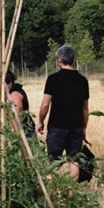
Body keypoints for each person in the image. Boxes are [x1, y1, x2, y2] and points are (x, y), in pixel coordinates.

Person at [36, 45, 90, 178]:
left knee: (55, 161)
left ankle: (59, 192)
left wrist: (40, 121)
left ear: (60, 60)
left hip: (57, 127)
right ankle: (72, 193)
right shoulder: (82, 80)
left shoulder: (53, 79)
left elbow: (45, 104)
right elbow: (85, 108)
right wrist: (84, 128)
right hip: (76, 126)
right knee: (74, 161)